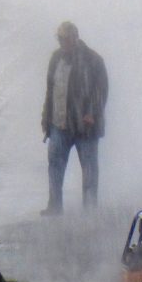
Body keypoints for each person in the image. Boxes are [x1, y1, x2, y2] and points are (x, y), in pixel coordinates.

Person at [40, 21, 108, 216]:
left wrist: (92, 113)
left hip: (85, 128)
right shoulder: (56, 59)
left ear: (75, 38)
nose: (62, 43)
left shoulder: (93, 60)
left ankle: (90, 211)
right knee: (55, 165)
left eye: (65, 39)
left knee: (89, 171)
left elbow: (102, 91)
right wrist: (46, 116)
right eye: (60, 39)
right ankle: (55, 206)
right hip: (59, 125)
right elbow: (50, 91)